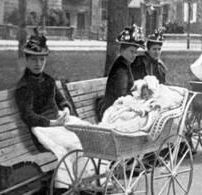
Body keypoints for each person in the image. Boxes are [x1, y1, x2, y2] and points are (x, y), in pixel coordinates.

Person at [15, 29, 88, 185]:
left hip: (57, 123)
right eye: (34, 60)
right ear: (26, 60)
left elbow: (60, 99)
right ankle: (77, 184)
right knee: (75, 143)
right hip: (42, 128)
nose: (38, 64)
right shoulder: (24, 86)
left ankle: (93, 180)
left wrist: (66, 109)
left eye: (42, 60)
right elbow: (28, 115)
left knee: (88, 134)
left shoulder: (48, 80)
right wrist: (52, 123)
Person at [100, 24, 144, 117]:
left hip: (119, 106)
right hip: (113, 110)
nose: (134, 55)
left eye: (136, 52)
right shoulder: (120, 69)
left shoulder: (125, 64)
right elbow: (121, 96)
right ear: (122, 50)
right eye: (131, 51)